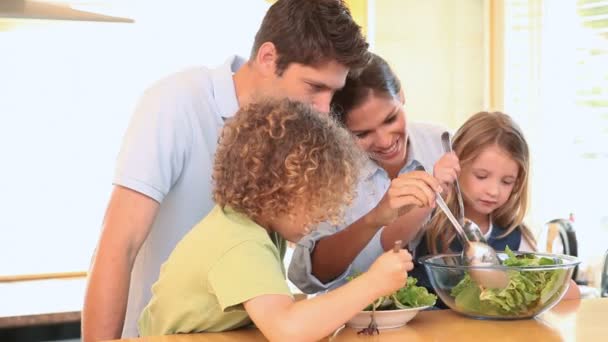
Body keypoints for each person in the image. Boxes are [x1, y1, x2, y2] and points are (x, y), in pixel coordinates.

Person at [82, 0, 370, 340]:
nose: (324, 109)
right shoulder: (175, 103)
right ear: (267, 58)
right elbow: (119, 244)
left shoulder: (293, 140)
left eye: (332, 93)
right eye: (314, 87)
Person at [137, 98, 414, 340]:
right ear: (277, 188)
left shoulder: (251, 228)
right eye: (319, 197)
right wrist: (373, 283)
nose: (327, 213)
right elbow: (288, 330)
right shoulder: (239, 244)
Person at [288, 53, 460, 293]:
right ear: (341, 131)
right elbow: (306, 277)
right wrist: (373, 219)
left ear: (401, 95)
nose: (385, 141)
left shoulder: (442, 142)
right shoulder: (329, 171)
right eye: (362, 134)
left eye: (390, 119)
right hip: (355, 321)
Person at [412, 111, 580, 303]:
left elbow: (541, 291)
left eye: (507, 181)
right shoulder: (425, 222)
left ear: (518, 182)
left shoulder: (517, 236)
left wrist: (558, 286)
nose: (493, 191)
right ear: (456, 167)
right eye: (482, 176)